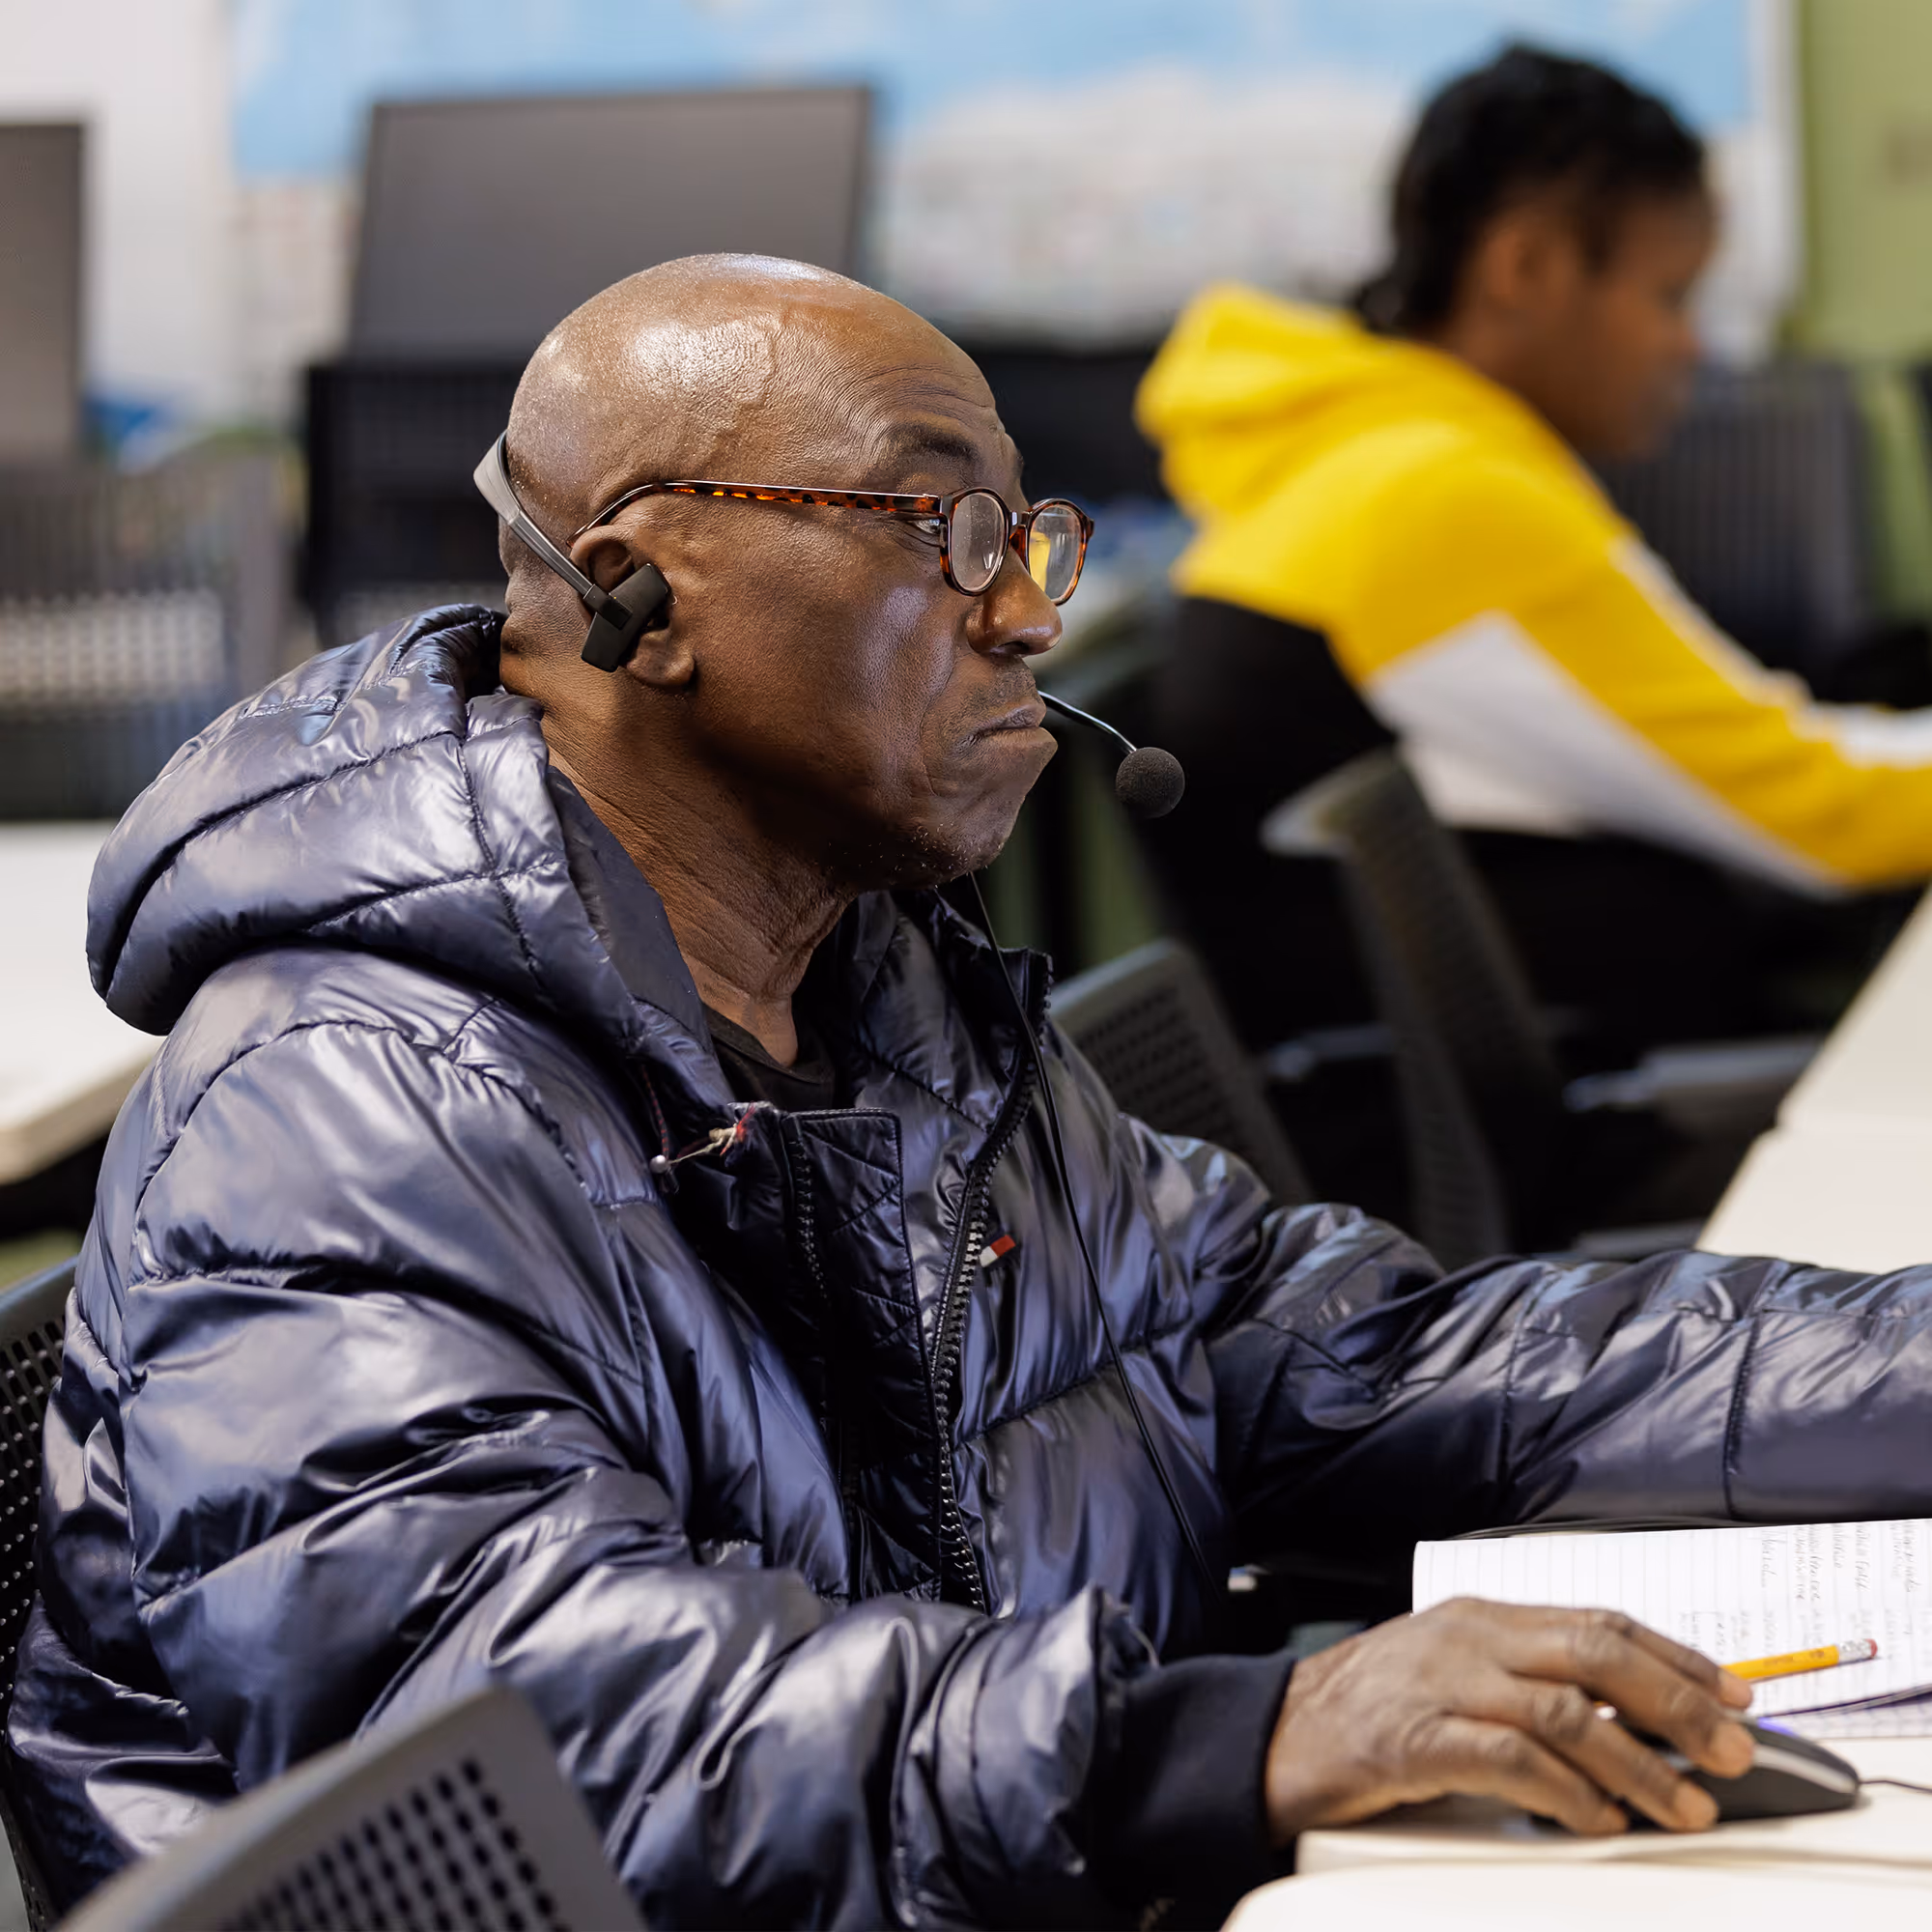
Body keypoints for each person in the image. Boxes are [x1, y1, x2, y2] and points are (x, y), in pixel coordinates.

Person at [9, 254, 1932, 1929]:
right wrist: (1249, 1732)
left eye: (1029, 539)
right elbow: (534, 1739)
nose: (1022, 613)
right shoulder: (341, 1116)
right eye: (936, 528)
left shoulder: (890, 1005)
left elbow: (1352, 1358)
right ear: (635, 594)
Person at [1133, 45, 1932, 1052]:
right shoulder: (1444, 495)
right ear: (1527, 268)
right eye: (1670, 297)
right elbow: (1822, 819)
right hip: (1554, 1145)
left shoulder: (1348, 451)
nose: (1691, 346)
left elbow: (1758, 760)